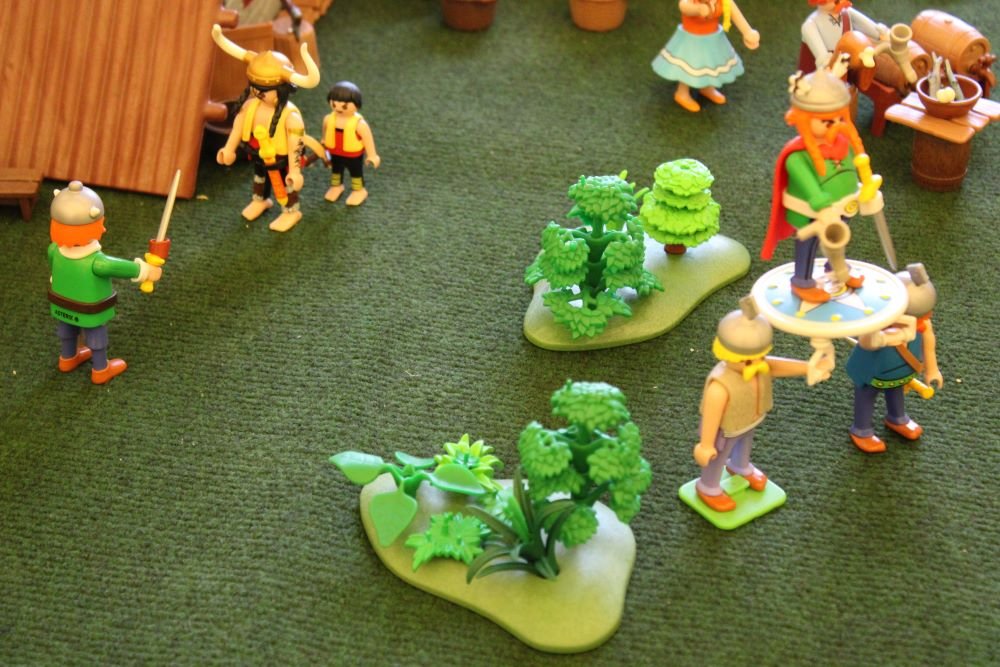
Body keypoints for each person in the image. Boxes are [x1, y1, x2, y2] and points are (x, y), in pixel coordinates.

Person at [761, 58, 884, 303]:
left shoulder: (844, 143)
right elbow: (808, 185)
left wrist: (864, 190)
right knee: (809, 242)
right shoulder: (797, 156)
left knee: (839, 238)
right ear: (804, 119)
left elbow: (855, 168)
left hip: (844, 205)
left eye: (839, 119)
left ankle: (836, 269)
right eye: (827, 122)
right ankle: (802, 281)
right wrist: (821, 204)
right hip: (813, 212)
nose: (835, 126)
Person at [693, 297, 832, 512]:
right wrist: (705, 445)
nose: (759, 363)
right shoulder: (720, 385)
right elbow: (711, 415)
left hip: (750, 419)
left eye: (761, 356)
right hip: (725, 430)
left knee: (745, 444)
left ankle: (740, 466)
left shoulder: (760, 365)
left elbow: (777, 366)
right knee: (717, 456)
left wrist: (809, 367)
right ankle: (708, 486)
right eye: (749, 361)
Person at [47, 182, 162, 384]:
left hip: (61, 303)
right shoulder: (97, 262)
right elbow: (122, 268)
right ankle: (101, 369)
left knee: (66, 327)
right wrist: (146, 271)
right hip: (89, 309)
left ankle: (68, 358)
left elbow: (53, 268)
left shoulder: (54, 250)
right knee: (95, 333)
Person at [211, 24, 320, 232]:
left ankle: (291, 211)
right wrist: (229, 149)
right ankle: (260, 200)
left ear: (281, 89)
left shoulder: (290, 116)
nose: (258, 93)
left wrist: (295, 171)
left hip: (282, 159)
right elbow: (238, 127)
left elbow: (295, 144)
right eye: (255, 87)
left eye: (264, 89)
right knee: (259, 177)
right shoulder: (250, 106)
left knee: (287, 186)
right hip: (258, 153)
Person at [845, 264, 942, 452]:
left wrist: (932, 369)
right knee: (866, 396)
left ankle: (897, 418)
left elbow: (928, 344)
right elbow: (866, 343)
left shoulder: (922, 323)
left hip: (901, 369)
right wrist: (880, 336)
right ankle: (861, 429)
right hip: (871, 370)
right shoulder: (880, 322)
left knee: (896, 390)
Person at [651, 0, 760, 113]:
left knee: (710, 63)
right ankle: (682, 93)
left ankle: (706, 87)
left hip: (712, 37)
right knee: (689, 64)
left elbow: (735, 13)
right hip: (691, 38)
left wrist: (747, 32)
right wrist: (697, 9)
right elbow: (684, 6)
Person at [322, 81, 381, 207]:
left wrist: (372, 155)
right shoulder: (328, 119)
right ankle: (336, 186)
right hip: (335, 153)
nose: (338, 108)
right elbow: (325, 132)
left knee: (356, 173)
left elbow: (368, 139)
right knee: (336, 171)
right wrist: (323, 143)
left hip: (353, 156)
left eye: (344, 106)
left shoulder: (359, 124)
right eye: (334, 104)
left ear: (356, 105)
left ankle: (359, 190)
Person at [800, 0, 888, 73]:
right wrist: (827, 63)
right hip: (826, 70)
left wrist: (880, 33)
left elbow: (867, 25)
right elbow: (822, 56)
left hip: (850, 59)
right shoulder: (811, 24)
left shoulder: (846, 12)